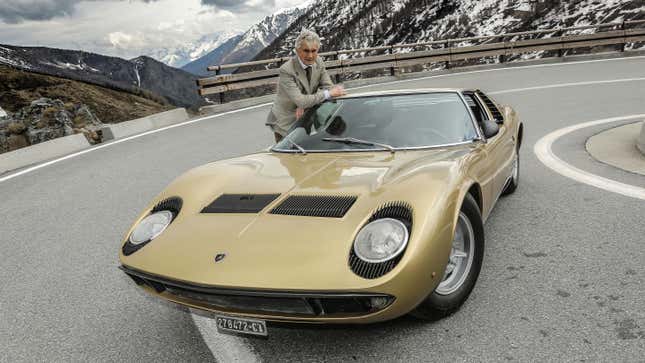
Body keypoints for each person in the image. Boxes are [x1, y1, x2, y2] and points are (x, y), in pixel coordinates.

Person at [266, 28, 346, 143]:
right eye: (306, 51)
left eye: (314, 51)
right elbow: (306, 99)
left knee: (305, 155)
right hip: (285, 122)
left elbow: (329, 86)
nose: (310, 55)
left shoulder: (318, 62)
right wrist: (325, 94)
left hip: (305, 118)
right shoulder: (286, 70)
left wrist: (306, 102)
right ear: (297, 51)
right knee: (289, 158)